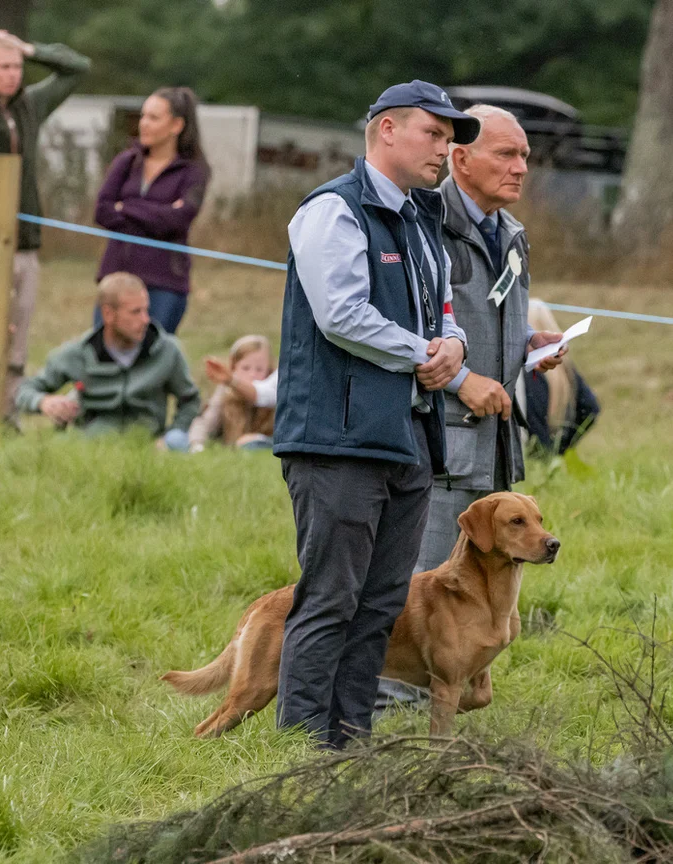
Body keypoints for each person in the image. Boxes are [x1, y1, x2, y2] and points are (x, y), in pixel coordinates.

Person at [273, 80, 478, 749]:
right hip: (337, 437)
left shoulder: (423, 220)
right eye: (434, 134)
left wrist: (455, 346)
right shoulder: (331, 210)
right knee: (331, 599)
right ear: (386, 129)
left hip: (409, 436)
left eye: (451, 139)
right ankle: (301, 753)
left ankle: (350, 745)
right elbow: (341, 315)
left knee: (381, 604)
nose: (445, 151)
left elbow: (443, 314)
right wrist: (425, 350)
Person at [415, 104, 565, 573]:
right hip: (439, 450)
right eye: (505, 154)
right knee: (421, 594)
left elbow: (483, 315)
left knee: (481, 607)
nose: (521, 167)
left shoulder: (513, 234)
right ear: (461, 160)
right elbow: (407, 329)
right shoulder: (422, 224)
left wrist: (528, 340)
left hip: (495, 448)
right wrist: (461, 379)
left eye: (524, 155)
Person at [0, 28, 90, 421]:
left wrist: (30, 47)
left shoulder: (30, 105)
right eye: (3, 66)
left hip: (24, 242)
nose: (13, 74)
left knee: (16, 339)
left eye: (18, 67)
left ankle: (5, 418)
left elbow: (77, 68)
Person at [14, 272, 200, 446]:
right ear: (108, 314)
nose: (145, 320)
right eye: (135, 312)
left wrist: (172, 434)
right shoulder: (78, 354)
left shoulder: (167, 350)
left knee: (177, 442)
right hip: (92, 445)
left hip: (150, 445)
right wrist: (43, 402)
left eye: (146, 310)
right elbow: (25, 391)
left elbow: (190, 400)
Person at [93, 87, 209, 334]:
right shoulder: (126, 161)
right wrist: (159, 212)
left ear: (177, 125)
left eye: (154, 118)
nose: (144, 124)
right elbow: (102, 211)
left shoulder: (194, 171)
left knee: (152, 362)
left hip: (164, 283)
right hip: (116, 278)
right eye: (143, 116)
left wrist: (126, 207)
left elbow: (178, 220)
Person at [521, 299, 600, 455]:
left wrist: (540, 450)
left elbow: (529, 417)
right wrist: (558, 449)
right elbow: (590, 408)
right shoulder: (564, 368)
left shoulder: (526, 370)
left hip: (528, 457)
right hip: (546, 457)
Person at [189, 334, 275, 452]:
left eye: (259, 369)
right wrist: (197, 445)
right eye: (245, 368)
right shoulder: (225, 393)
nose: (252, 374)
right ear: (233, 368)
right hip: (230, 446)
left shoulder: (274, 394)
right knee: (176, 438)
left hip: (265, 444)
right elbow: (205, 422)